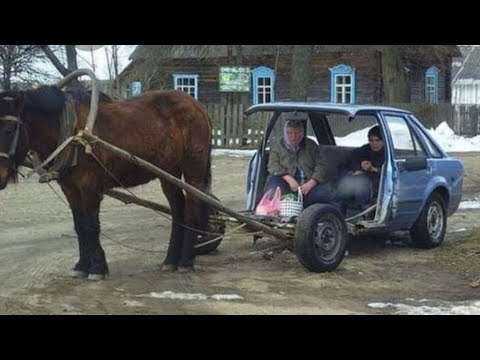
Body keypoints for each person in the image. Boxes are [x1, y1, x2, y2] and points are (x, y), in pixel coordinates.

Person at [265, 119, 331, 208]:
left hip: (308, 184)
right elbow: (273, 166)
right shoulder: (277, 145)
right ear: (285, 133)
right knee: (274, 185)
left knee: (323, 194)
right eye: (290, 133)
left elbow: (322, 166)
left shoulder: (311, 145)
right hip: (286, 182)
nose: (293, 137)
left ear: (302, 133)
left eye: (297, 133)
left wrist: (311, 183)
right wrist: (289, 179)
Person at [333, 125, 385, 217]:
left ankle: (366, 215)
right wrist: (356, 169)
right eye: (371, 140)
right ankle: (337, 218)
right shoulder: (363, 150)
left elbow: (389, 171)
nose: (374, 144)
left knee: (360, 184)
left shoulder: (387, 154)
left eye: (377, 140)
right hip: (355, 183)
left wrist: (373, 169)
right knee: (342, 193)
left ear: (383, 141)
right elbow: (349, 161)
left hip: (375, 185)